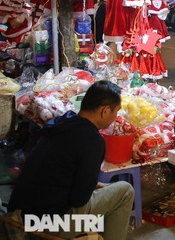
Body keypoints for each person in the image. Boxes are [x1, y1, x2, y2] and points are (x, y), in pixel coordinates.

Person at [9, 81, 134, 239]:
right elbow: (79, 198)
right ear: (105, 111)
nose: (115, 117)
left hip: (21, 213)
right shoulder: (92, 139)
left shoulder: (63, 123)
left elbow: (62, 173)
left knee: (110, 192)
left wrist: (100, 187)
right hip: (47, 224)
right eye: (115, 112)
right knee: (125, 191)